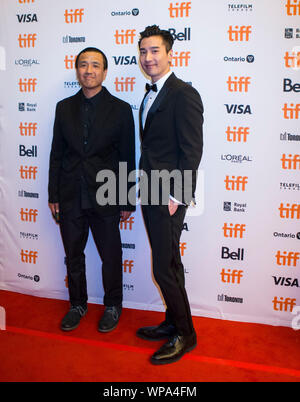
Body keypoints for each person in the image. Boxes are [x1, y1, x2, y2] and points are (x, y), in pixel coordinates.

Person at [48, 47, 135, 333]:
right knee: (73, 254)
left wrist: (127, 200)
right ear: (77, 71)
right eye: (83, 65)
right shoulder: (63, 107)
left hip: (107, 195)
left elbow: (126, 157)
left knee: (110, 255)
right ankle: (78, 304)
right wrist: (53, 195)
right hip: (70, 194)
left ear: (104, 72)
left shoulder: (121, 110)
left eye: (95, 65)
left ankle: (113, 305)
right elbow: (56, 154)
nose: (89, 70)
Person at [137, 26, 203, 364]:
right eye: (144, 51)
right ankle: (173, 320)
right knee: (167, 262)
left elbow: (192, 150)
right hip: (149, 190)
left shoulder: (182, 93)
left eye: (155, 51)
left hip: (168, 196)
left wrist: (178, 194)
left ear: (169, 53)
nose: (148, 58)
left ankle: (186, 334)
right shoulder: (150, 93)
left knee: (165, 267)